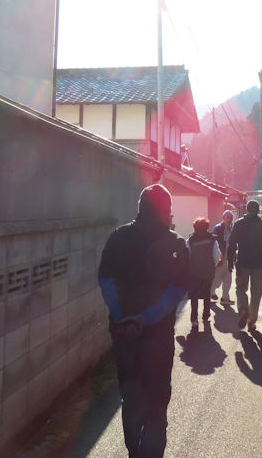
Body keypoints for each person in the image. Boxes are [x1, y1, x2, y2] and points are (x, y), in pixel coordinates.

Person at [98, 184, 188, 458]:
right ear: (167, 210)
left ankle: (134, 452)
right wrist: (146, 319)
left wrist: (123, 318)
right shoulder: (175, 243)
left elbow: (106, 280)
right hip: (158, 338)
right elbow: (176, 290)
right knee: (157, 403)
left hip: (125, 336)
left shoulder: (118, 237)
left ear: (140, 208)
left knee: (131, 398)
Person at [227, 200, 262, 332]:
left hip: (242, 262)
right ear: (258, 210)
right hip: (258, 263)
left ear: (246, 209)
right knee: (256, 293)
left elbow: (232, 243)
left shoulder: (239, 224)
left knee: (241, 289)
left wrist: (230, 261)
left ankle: (243, 309)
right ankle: (251, 322)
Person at [187, 217, 222, 326]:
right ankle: (205, 316)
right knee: (207, 293)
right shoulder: (212, 239)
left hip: (194, 272)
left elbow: (187, 256)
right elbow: (216, 256)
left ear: (195, 227)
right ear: (207, 227)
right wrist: (213, 266)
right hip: (208, 272)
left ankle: (194, 319)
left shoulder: (190, 240)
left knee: (194, 296)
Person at [210, 209, 234, 305]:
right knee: (216, 277)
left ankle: (225, 298)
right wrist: (220, 255)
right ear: (223, 218)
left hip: (229, 256)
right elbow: (214, 242)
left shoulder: (232, 228)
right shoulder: (218, 228)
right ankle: (210, 294)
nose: (229, 220)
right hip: (221, 256)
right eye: (227, 218)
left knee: (228, 279)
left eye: (231, 218)